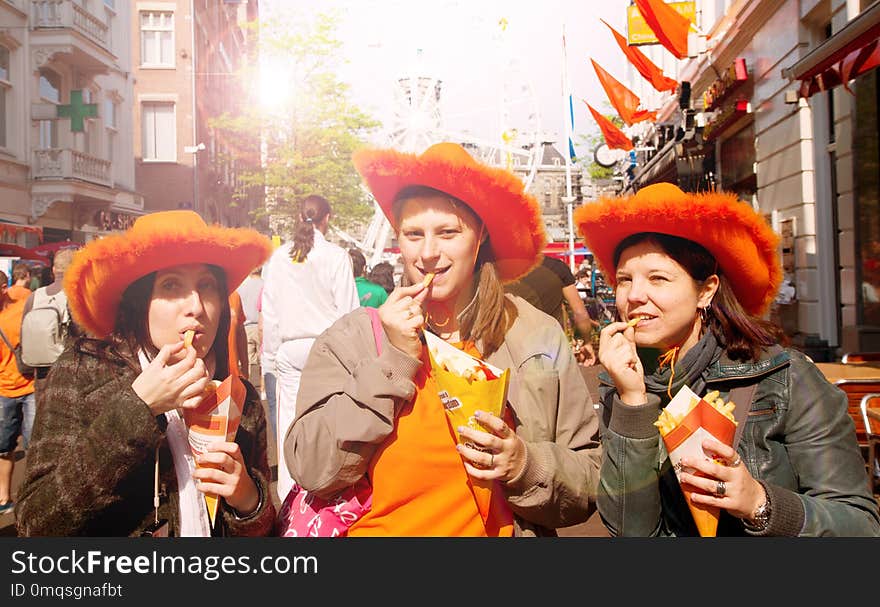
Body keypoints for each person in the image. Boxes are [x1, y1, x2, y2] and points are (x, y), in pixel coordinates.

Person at [285, 142, 601, 536]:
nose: (428, 253)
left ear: (480, 233)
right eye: (413, 234)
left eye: (448, 232)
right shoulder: (351, 339)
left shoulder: (534, 334)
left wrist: (524, 465)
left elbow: (590, 479)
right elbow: (311, 467)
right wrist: (392, 363)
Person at [575, 182, 880, 536]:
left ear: (706, 291)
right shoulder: (623, 385)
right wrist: (632, 403)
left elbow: (861, 524)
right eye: (625, 280)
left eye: (658, 278)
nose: (635, 295)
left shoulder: (784, 377)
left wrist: (759, 503)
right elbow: (631, 531)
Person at [14, 210, 276, 536]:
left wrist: (249, 499)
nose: (195, 305)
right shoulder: (82, 372)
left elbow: (264, 528)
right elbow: (36, 523)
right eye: (171, 286)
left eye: (206, 286)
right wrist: (139, 407)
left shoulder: (240, 397)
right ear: (140, 303)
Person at [261, 194, 359, 502]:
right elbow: (348, 312)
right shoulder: (336, 256)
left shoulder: (278, 258)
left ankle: (291, 494)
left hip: (290, 348)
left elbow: (271, 311)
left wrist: (270, 357)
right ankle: (327, 486)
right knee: (329, 416)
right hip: (327, 347)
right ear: (326, 218)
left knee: (290, 420)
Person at [0, 270, 36, 516]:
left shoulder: (21, 298)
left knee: (35, 447)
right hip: (3, 389)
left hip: (30, 385)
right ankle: (4, 497)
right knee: (3, 447)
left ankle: (32, 498)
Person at [21, 247, 80, 393]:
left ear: (53, 270)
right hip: (69, 376)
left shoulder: (35, 296)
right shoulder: (75, 296)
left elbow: (23, 333)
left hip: (41, 374)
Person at [506, 253, 597, 340]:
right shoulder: (557, 267)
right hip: (552, 343)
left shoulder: (500, 269)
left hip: (513, 344)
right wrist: (587, 342)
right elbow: (580, 313)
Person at [236, 266, 263, 389]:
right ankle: (264, 389)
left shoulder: (241, 286)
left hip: (245, 327)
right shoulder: (266, 285)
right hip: (262, 327)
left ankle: (250, 389)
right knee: (263, 361)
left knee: (248, 361)